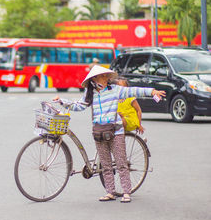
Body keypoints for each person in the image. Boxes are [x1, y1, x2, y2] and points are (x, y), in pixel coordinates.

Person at [54, 65, 165, 203]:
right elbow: (79, 105)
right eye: (103, 76)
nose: (106, 78)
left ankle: (126, 192)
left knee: (121, 163)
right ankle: (110, 192)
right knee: (106, 164)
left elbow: (133, 91)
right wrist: (62, 102)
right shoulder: (90, 94)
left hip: (116, 131)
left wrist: (152, 91)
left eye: (107, 76)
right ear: (95, 78)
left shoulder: (115, 90)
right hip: (99, 131)